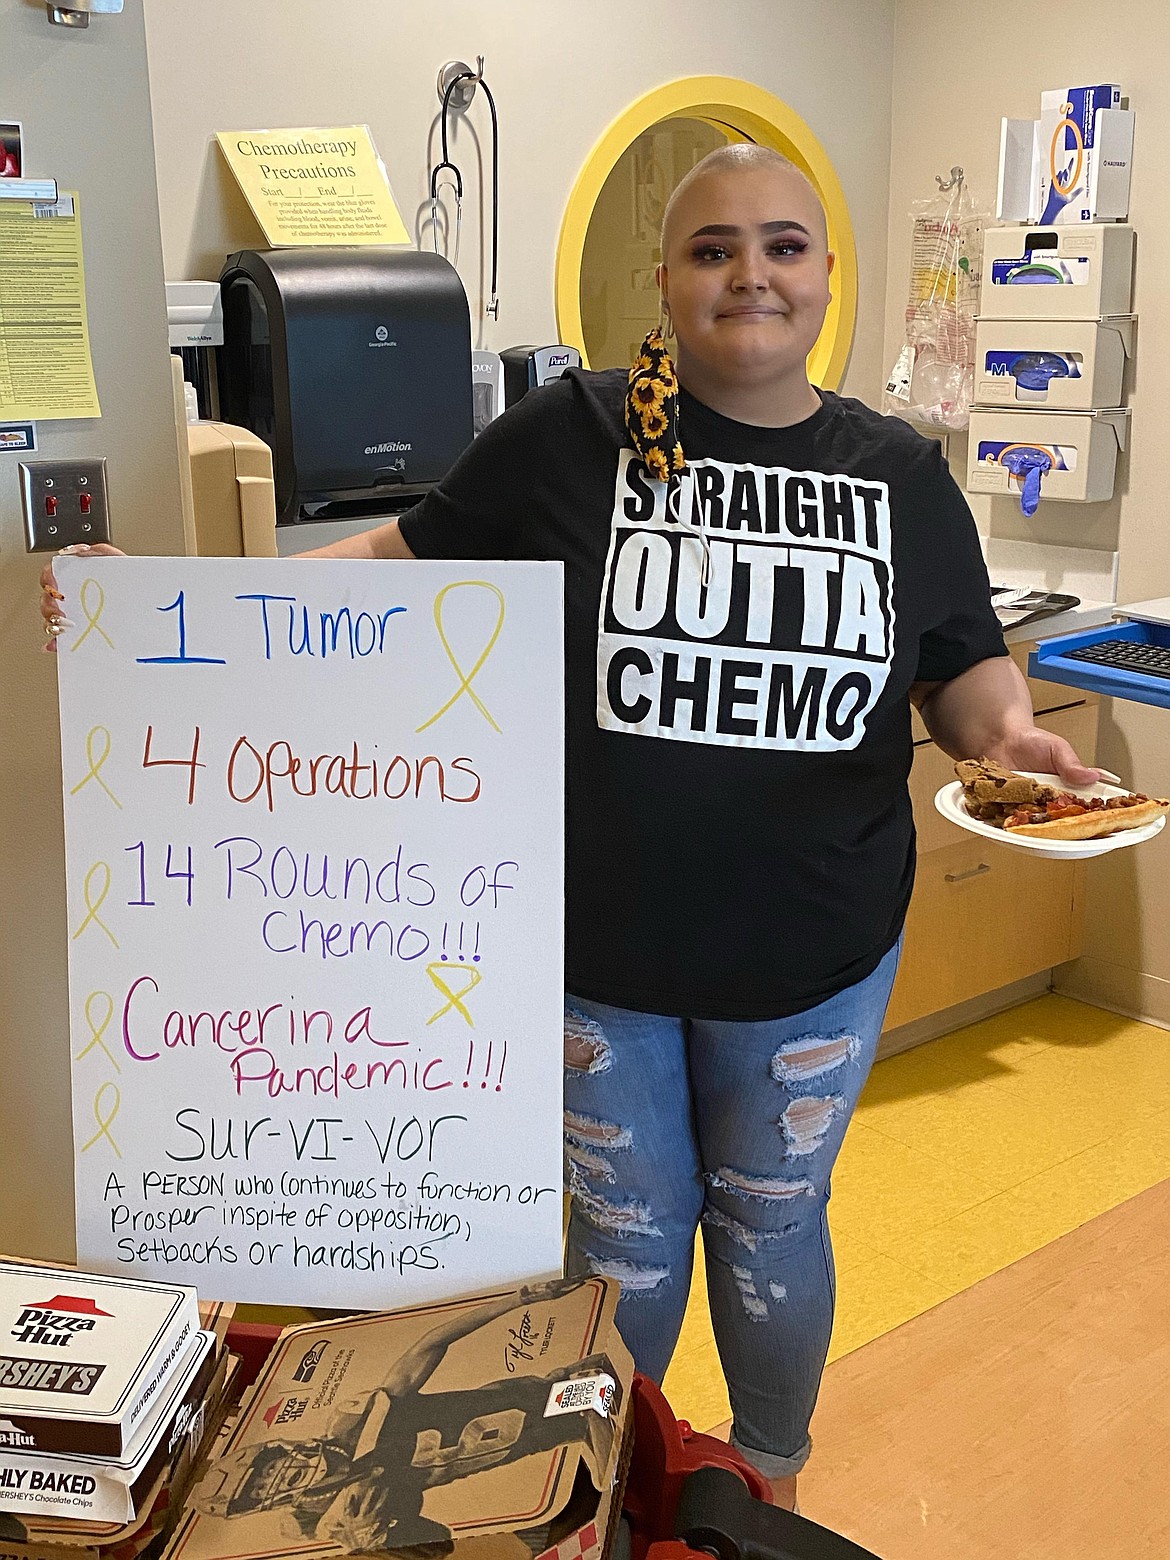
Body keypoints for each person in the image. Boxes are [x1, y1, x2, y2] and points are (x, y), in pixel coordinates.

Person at [41, 145, 1100, 1509]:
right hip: (591, 953)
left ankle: (767, 1487)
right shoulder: (571, 438)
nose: (749, 273)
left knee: (771, 1224)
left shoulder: (895, 471)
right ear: (664, 280)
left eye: (782, 245)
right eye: (712, 248)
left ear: (825, 274)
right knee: (626, 1242)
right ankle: (601, 1491)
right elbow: (385, 569)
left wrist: (1006, 733)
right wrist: (173, 605)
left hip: (813, 954)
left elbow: (956, 665)